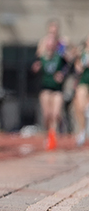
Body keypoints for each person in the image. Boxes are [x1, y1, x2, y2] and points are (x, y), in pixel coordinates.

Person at [32, 19, 68, 151]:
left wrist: (62, 74)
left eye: (55, 30)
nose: (53, 32)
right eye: (51, 30)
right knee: (47, 114)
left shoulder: (62, 43)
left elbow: (67, 63)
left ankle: (55, 134)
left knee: (55, 114)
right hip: (45, 86)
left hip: (57, 87)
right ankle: (49, 134)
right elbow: (37, 60)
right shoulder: (43, 43)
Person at [73, 35, 89, 146]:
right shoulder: (82, 53)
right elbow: (77, 69)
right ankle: (82, 131)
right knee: (80, 107)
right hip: (84, 81)